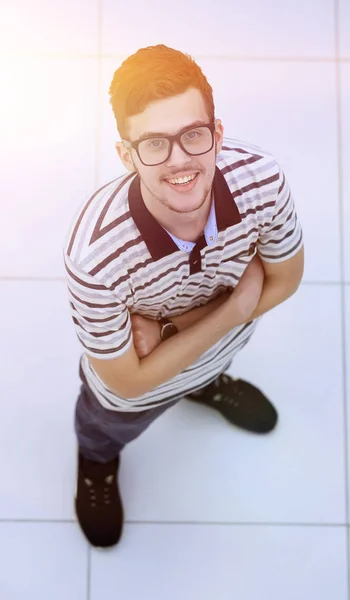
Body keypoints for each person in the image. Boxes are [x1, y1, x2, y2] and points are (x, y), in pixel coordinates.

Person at [62, 44, 304, 549]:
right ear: (126, 155)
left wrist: (169, 330)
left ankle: (203, 386)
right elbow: (127, 382)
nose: (180, 162)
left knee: (204, 365)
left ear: (216, 133)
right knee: (104, 428)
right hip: (129, 397)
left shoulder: (262, 179)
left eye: (193, 135)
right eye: (153, 144)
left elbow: (285, 281)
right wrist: (234, 307)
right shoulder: (94, 258)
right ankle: (98, 465)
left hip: (216, 351)